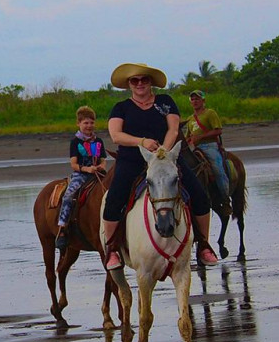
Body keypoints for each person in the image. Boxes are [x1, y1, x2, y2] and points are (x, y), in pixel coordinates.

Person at [101, 63, 219, 270]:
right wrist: (142, 142)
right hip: (132, 159)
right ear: (129, 84)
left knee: (199, 194)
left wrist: (163, 153)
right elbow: (116, 135)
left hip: (167, 158)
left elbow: (173, 129)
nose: (139, 84)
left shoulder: (165, 102)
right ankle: (112, 249)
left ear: (151, 83)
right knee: (114, 198)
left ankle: (203, 245)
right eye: (134, 81)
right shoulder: (121, 108)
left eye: (144, 80)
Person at [55, 106, 107, 251]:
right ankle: (62, 227)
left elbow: (103, 160)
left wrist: (101, 166)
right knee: (68, 195)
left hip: (98, 174)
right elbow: (73, 164)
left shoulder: (99, 141)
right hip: (81, 174)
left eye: (91, 123)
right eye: (86, 123)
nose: (89, 126)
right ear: (79, 124)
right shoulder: (75, 142)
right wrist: (87, 169)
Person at [185, 89, 230, 199]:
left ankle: (225, 197)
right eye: (193, 99)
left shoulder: (210, 113)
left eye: (197, 99)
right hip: (195, 148)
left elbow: (218, 130)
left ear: (203, 100)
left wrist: (201, 136)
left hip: (209, 146)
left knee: (218, 170)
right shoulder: (190, 119)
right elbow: (188, 136)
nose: (195, 101)